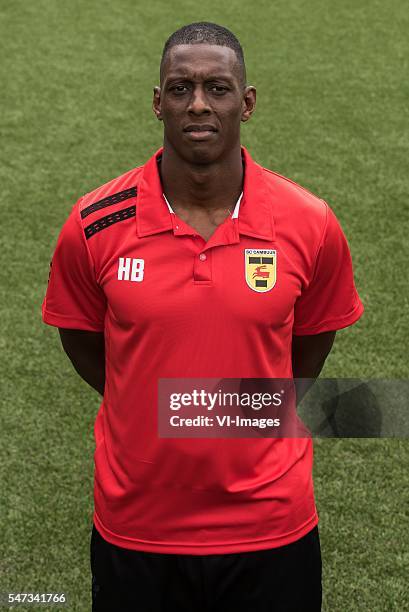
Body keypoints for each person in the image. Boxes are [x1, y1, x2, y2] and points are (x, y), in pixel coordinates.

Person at [41, 21, 364, 612]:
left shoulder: (309, 222)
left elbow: (313, 343)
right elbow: (80, 336)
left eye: (217, 88)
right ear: (156, 102)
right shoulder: (94, 223)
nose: (198, 104)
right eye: (181, 87)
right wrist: (140, 398)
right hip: (138, 525)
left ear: (247, 103)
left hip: (271, 526)